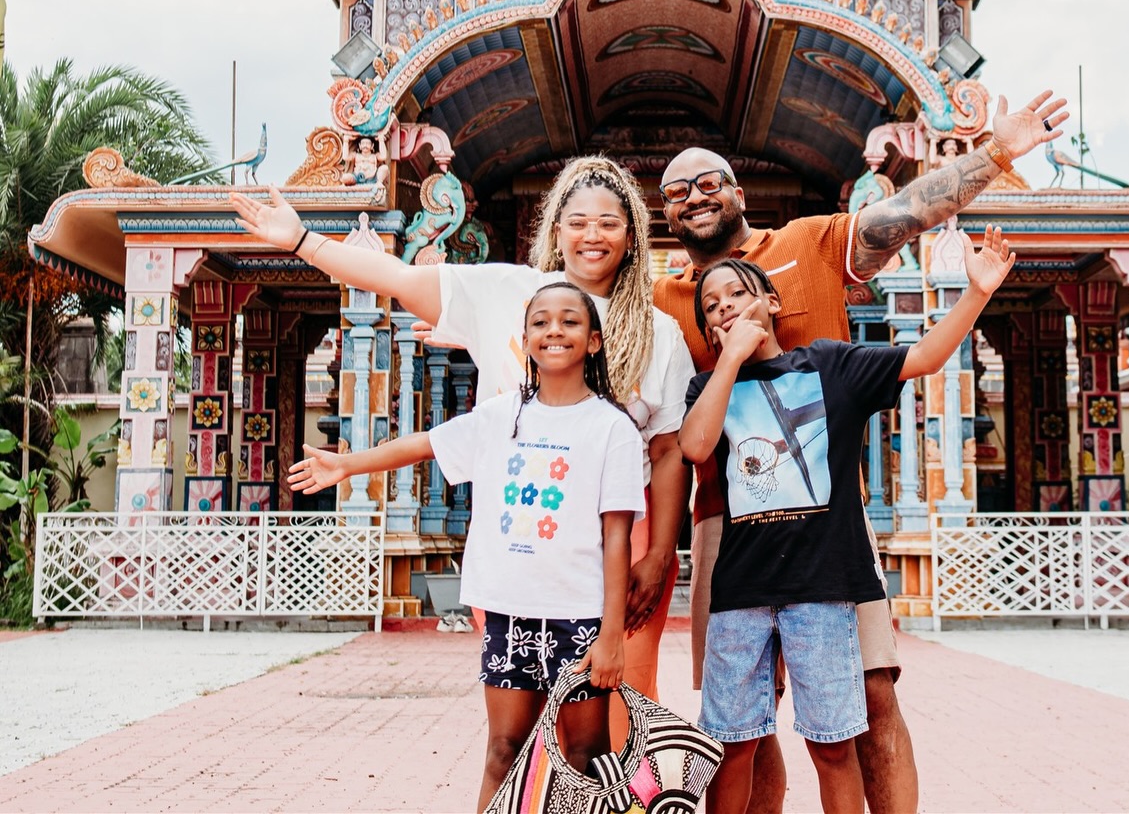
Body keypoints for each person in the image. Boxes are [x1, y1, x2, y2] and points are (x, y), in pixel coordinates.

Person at [651, 89, 1067, 814]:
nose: (694, 197)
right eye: (676, 191)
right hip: (725, 524)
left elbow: (904, 216)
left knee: (869, 695)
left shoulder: (805, 242)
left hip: (829, 524)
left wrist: (996, 152)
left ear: (740, 193)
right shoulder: (663, 298)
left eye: (709, 181)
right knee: (741, 725)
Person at [230, 154, 695, 721]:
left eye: (608, 223)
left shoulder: (659, 332)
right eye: (577, 222)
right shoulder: (506, 291)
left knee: (619, 705)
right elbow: (396, 278)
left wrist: (662, 554)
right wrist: (302, 239)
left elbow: (668, 452)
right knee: (523, 724)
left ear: (632, 234)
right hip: (518, 528)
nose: (591, 236)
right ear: (555, 229)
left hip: (622, 536)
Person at [680, 226, 1014, 813]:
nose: (726, 307)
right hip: (740, 592)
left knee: (832, 745)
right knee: (731, 745)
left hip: (824, 589)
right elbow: (696, 447)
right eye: (712, 306)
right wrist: (730, 360)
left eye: (738, 294)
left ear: (773, 303)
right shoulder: (710, 387)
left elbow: (926, 357)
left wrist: (977, 292)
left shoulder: (831, 365)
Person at [289, 281, 645, 807]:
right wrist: (346, 462)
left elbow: (617, 537)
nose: (554, 331)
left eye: (570, 321)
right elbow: (425, 444)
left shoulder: (612, 428)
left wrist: (611, 634)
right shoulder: (501, 416)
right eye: (541, 322)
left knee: (586, 754)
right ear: (524, 340)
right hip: (508, 612)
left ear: (593, 340)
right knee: (504, 751)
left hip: (581, 617)